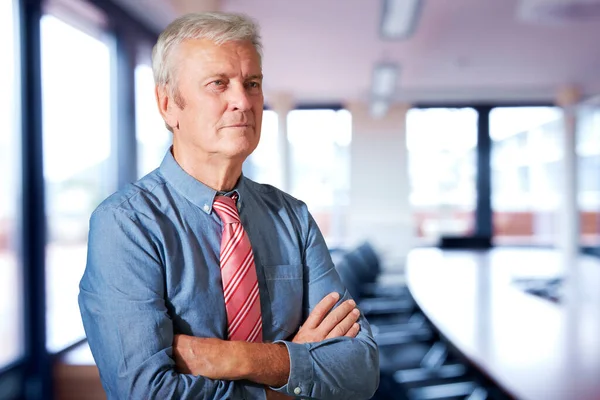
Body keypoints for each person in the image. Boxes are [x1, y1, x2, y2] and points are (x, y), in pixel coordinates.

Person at [79, 11, 379, 400]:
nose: (243, 100)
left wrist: (235, 358)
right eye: (218, 84)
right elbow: (148, 393)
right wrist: (288, 377)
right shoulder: (125, 226)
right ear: (169, 104)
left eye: (251, 83)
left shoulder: (294, 218)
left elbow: (360, 369)